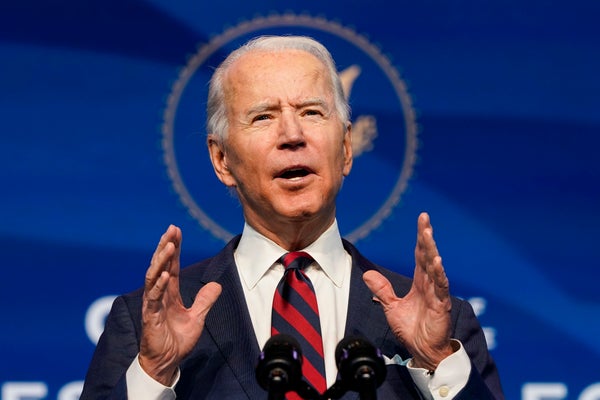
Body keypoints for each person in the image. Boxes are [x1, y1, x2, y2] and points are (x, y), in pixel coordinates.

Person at [81, 35, 504, 399]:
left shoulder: (442, 325)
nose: (292, 135)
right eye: (263, 116)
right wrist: (155, 372)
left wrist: (435, 360)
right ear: (222, 159)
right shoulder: (143, 327)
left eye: (311, 112)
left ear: (344, 150)